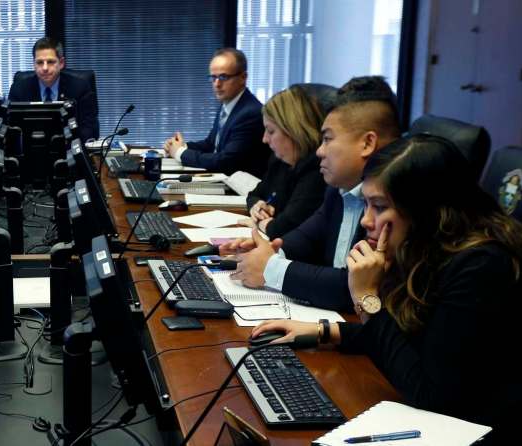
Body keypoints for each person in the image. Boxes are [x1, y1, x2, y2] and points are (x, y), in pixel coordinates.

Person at [252, 135, 522, 444]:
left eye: (380, 206)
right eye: (367, 204)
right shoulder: (426, 247)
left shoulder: (482, 266)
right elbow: (413, 335)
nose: (367, 220)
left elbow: (431, 395)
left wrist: (367, 298)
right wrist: (327, 331)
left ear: (425, 211)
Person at [227, 76, 401, 311]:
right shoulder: (339, 190)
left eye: (328, 139)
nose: (319, 151)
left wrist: (270, 268)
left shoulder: (396, 204)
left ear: (367, 143)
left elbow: (356, 286)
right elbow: (308, 237)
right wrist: (268, 252)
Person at [163, 48, 271, 176]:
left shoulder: (250, 113)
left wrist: (180, 152)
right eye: (213, 77)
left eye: (223, 77)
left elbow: (225, 162)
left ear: (243, 77)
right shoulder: (228, 103)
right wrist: (178, 146)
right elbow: (211, 144)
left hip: (240, 190)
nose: (217, 84)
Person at [246, 86, 327, 239]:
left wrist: (259, 224)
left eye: (270, 131)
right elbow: (254, 194)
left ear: (294, 130)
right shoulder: (280, 160)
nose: (264, 139)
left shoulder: (318, 169)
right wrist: (256, 207)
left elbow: (282, 228)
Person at [7, 37, 100, 143]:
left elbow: (89, 130)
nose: (45, 68)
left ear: (61, 63)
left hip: (70, 153)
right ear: (34, 64)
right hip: (30, 152)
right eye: (40, 62)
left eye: (50, 62)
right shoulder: (19, 89)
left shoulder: (80, 88)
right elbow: (11, 131)